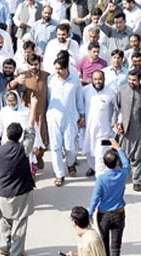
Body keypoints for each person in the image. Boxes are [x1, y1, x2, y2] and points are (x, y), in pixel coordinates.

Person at [0, 95, 39, 256]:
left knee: (4, 220)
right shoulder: (23, 149)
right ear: (20, 136)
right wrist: (33, 106)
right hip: (21, 192)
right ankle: (17, 251)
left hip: (3, 193)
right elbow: (31, 127)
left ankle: (4, 246)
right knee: (20, 222)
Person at [47, 53, 84, 187]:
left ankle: (70, 163)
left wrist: (82, 115)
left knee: (70, 147)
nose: (58, 71)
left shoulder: (75, 81)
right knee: (56, 147)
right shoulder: (51, 79)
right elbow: (47, 97)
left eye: (60, 69)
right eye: (56, 68)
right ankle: (59, 174)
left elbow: (79, 99)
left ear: (66, 67)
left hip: (70, 117)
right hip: (53, 116)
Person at [87, 137, 130, 256]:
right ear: (117, 162)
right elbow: (126, 164)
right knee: (116, 248)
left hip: (103, 216)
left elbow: (95, 198)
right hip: (119, 214)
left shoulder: (101, 179)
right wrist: (118, 148)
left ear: (104, 163)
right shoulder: (122, 174)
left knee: (104, 247)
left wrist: (90, 214)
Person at [112, 69, 141, 191]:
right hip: (125, 129)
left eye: (134, 80)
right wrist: (116, 123)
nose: (131, 82)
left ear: (139, 80)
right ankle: (122, 178)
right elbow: (116, 109)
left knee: (139, 156)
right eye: (129, 79)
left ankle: (137, 180)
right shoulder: (122, 90)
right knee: (123, 155)